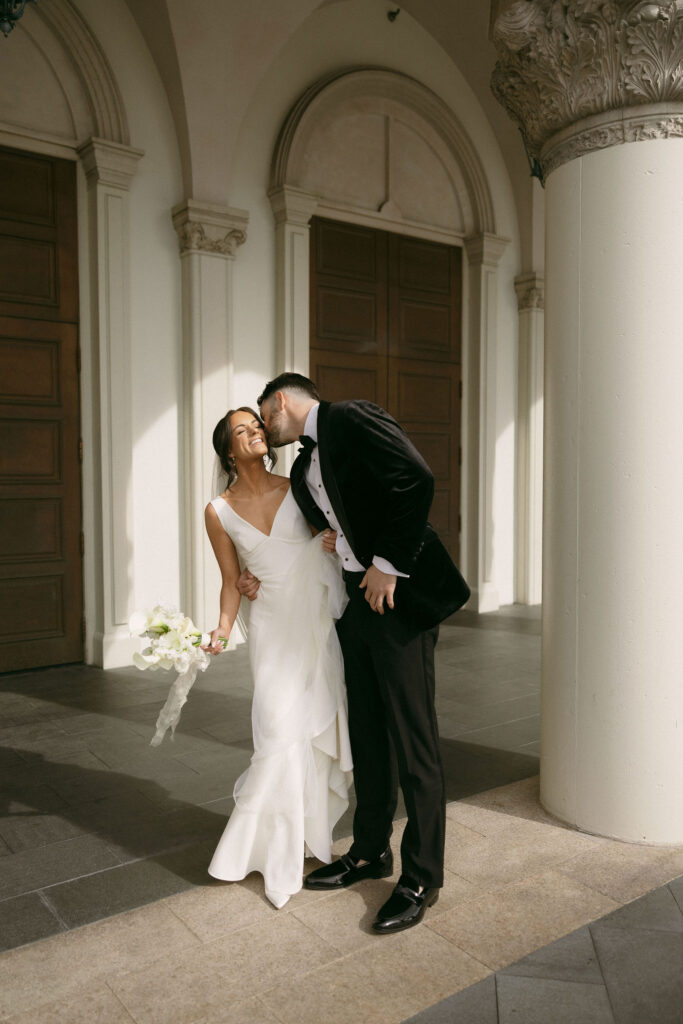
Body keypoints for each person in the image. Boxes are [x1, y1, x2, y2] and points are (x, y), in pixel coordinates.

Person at [239, 374, 469, 933]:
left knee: (414, 740)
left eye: (266, 419)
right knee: (367, 730)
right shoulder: (300, 468)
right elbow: (315, 530)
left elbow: (415, 478)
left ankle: (422, 877)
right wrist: (260, 571)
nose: (267, 431)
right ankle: (371, 851)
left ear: (283, 402)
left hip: (397, 595)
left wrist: (387, 565)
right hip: (354, 604)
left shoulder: (349, 417)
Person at [203, 406, 352, 909]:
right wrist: (223, 628)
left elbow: (323, 541)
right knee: (276, 729)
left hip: (310, 621)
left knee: (306, 730)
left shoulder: (297, 487)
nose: (255, 433)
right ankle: (272, 847)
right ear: (228, 448)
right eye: (242, 430)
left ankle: (304, 839)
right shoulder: (217, 511)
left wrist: (331, 541)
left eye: (257, 426)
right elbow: (231, 581)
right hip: (268, 626)